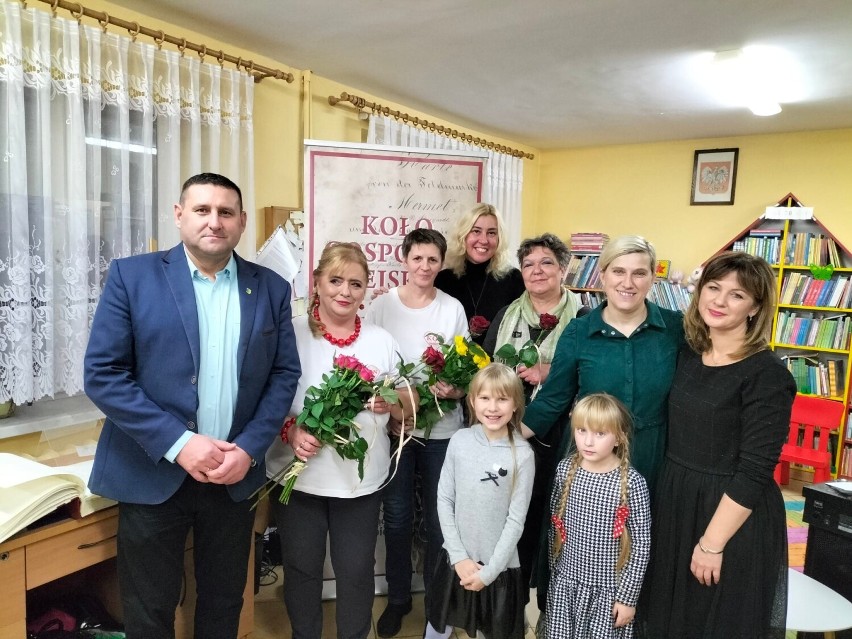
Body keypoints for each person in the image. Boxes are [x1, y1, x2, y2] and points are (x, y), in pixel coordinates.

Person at [84, 172, 301, 639]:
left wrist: (248, 449)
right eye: (202, 210)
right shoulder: (132, 276)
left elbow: (283, 375)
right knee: (149, 608)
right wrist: (180, 444)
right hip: (151, 472)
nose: (214, 222)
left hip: (233, 474)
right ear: (179, 215)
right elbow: (103, 374)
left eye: (226, 212)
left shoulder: (271, 289)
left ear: (242, 222)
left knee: (225, 601)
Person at [520, 235, 683, 610]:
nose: (628, 282)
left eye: (639, 273)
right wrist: (499, 436)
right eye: (619, 272)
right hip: (587, 464)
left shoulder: (675, 329)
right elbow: (554, 398)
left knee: (640, 548)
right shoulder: (579, 332)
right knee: (580, 551)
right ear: (602, 276)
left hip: (652, 457)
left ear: (652, 279)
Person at [265, 242, 417, 639]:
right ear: (316, 282)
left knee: (355, 571)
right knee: (301, 569)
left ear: (366, 289)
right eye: (335, 281)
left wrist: (393, 403)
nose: (344, 292)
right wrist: (292, 430)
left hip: (359, 484)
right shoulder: (290, 334)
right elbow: (264, 400)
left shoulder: (381, 340)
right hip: (298, 479)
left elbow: (410, 405)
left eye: (355, 283)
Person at [642, 252, 796, 639]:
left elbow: (755, 470)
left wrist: (712, 544)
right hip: (678, 501)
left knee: (715, 622)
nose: (719, 301)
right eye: (713, 287)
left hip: (729, 516)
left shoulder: (768, 374)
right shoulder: (690, 355)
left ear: (755, 307)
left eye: (737, 294)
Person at [365, 229, 469, 637]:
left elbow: (465, 371)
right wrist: (392, 413)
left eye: (432, 260)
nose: (424, 267)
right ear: (404, 259)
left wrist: (455, 389)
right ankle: (398, 598)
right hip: (396, 432)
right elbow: (370, 367)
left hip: (443, 430)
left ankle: (437, 606)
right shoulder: (380, 307)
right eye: (417, 258)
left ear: (441, 263)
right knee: (397, 517)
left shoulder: (452, 308)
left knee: (441, 522)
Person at [481, 233, 584, 608]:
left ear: (563, 268)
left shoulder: (585, 319)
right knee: (516, 516)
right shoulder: (506, 316)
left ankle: (551, 607)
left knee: (556, 518)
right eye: (528, 265)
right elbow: (486, 372)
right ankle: (512, 604)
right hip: (514, 433)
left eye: (546, 263)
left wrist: (550, 370)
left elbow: (592, 373)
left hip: (565, 436)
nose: (536, 271)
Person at [425, 363, 535, 639]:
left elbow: (516, 520)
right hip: (455, 559)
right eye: (485, 398)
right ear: (472, 401)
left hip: (498, 569)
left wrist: (490, 572)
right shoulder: (459, 440)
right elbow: (444, 498)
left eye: (502, 398)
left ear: (515, 404)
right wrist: (459, 557)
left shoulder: (522, 454)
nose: (493, 407)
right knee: (438, 626)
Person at [545, 393, 651, 639]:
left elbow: (641, 546)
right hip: (566, 587)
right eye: (581, 430)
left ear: (620, 437)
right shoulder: (565, 470)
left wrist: (627, 599)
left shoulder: (632, 484)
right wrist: (555, 577)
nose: (588, 442)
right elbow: (555, 527)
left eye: (600, 433)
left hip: (607, 595)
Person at [434, 203, 525, 341]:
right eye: (476, 231)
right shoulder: (442, 280)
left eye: (491, 233)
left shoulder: (514, 279)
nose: (484, 240)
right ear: (463, 235)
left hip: (498, 362)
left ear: (499, 238)